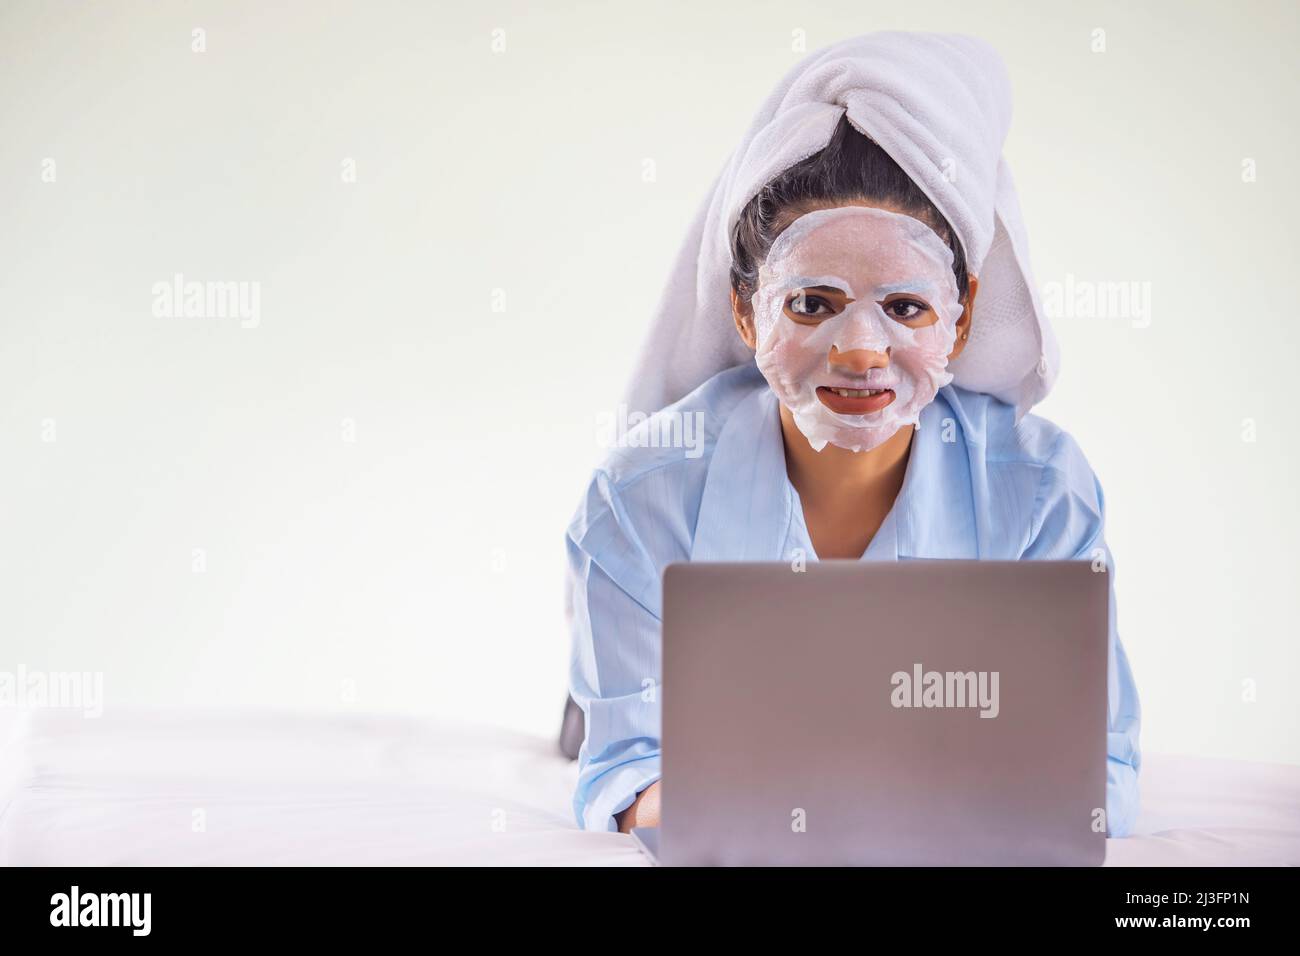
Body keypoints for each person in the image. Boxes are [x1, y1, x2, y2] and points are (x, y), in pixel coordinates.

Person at [564, 33, 1141, 840]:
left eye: (906, 307)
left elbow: (1097, 773)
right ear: (745, 309)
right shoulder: (637, 501)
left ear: (963, 314)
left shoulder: (1042, 492)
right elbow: (626, 775)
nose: (861, 350)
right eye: (811, 304)